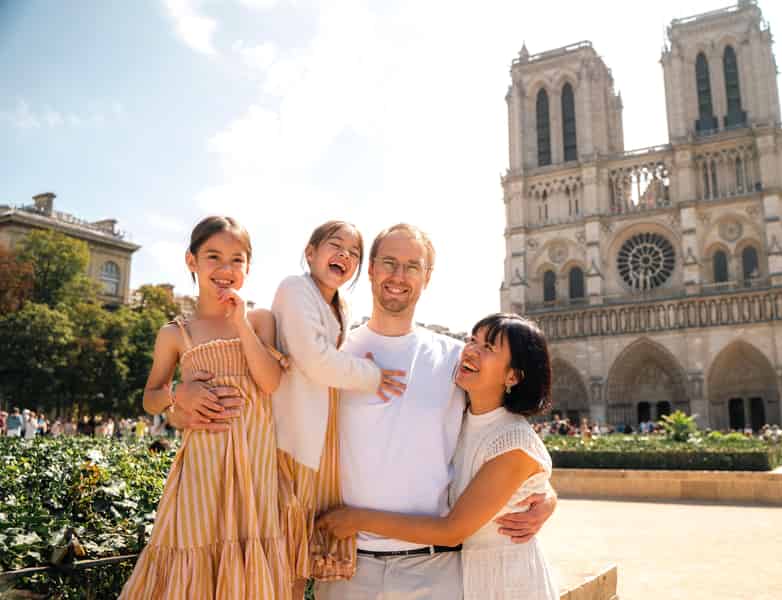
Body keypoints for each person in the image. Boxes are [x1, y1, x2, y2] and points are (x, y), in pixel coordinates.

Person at [310, 224, 555, 600]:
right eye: (388, 262)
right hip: (346, 568)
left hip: (435, 572)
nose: (398, 275)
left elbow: (504, 437)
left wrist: (546, 497)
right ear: (371, 269)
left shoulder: (457, 360)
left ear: (427, 277)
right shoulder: (331, 355)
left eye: (412, 266)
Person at [120, 216, 292, 598]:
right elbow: (150, 397)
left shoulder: (261, 320)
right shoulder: (175, 333)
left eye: (237, 259)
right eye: (213, 256)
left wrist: (241, 323)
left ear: (248, 268)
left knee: (249, 567)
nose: (225, 269)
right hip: (202, 469)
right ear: (191, 261)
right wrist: (177, 394)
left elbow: (271, 382)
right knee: (195, 563)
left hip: (255, 470)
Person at [270, 220, 406, 594]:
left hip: (322, 444)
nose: (345, 255)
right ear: (310, 252)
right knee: (284, 558)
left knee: (302, 562)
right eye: (336, 245)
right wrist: (373, 375)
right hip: (292, 442)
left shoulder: (341, 303)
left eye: (355, 253)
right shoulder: (295, 288)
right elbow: (316, 360)